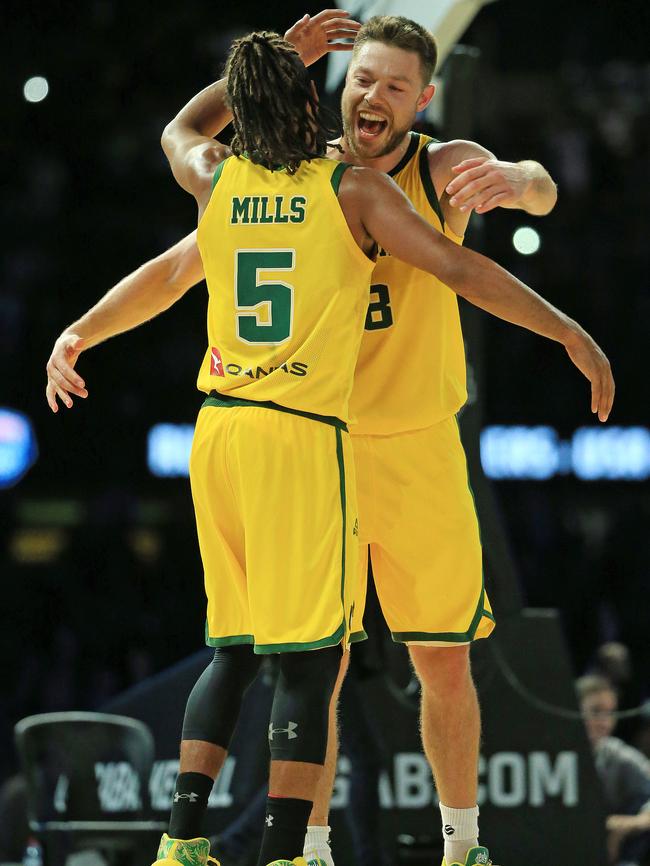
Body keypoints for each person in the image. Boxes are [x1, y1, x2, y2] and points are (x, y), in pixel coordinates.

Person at [46, 13, 614, 866]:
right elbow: (175, 267)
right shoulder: (320, 181)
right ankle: (304, 846)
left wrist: (515, 178)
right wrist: (85, 328)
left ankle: (461, 846)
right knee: (319, 666)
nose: (372, 95)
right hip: (323, 443)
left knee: (439, 664)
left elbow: (540, 186)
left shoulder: (433, 166)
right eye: (361, 79)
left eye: (393, 85)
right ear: (335, 85)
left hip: (411, 445)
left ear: (422, 101)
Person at [577, 676, 650, 866]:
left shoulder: (616, 755)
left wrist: (626, 825)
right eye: (595, 711)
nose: (604, 722)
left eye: (610, 713)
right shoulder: (548, 753)